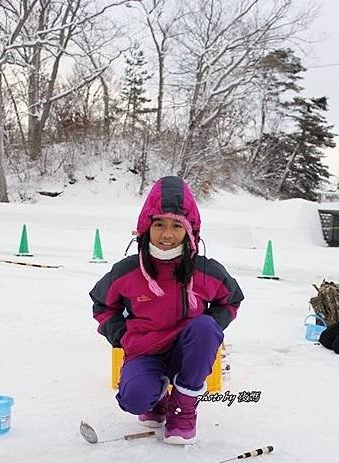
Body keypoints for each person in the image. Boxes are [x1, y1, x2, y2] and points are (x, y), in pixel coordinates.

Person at [89, 175, 244, 444]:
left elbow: (231, 300)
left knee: (206, 328)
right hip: (145, 351)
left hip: (188, 352)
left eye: (176, 225)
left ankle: (183, 410)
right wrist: (121, 336)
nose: (167, 234)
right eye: (159, 224)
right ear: (146, 227)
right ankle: (156, 397)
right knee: (134, 400)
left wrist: (210, 327)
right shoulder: (127, 271)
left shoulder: (205, 270)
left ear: (190, 230)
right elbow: (103, 304)